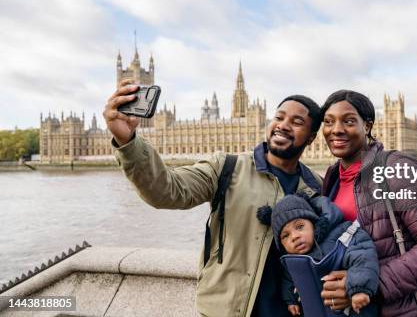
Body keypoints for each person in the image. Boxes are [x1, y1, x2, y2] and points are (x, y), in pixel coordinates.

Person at [102, 78, 323, 317]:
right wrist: (128, 142)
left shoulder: (316, 187)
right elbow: (166, 190)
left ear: (311, 137)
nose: (283, 125)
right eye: (279, 117)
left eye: (297, 122)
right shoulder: (226, 167)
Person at [318, 90, 417, 317]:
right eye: (328, 122)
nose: (336, 129)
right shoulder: (332, 177)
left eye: (349, 121)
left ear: (368, 126)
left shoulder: (398, 168)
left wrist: (366, 285)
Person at [257, 193, 379, 316]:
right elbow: (289, 278)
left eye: (300, 227)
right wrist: (290, 300)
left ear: (314, 224)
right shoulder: (291, 260)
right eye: (285, 235)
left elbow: (363, 257)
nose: (294, 236)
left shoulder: (340, 236)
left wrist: (360, 289)